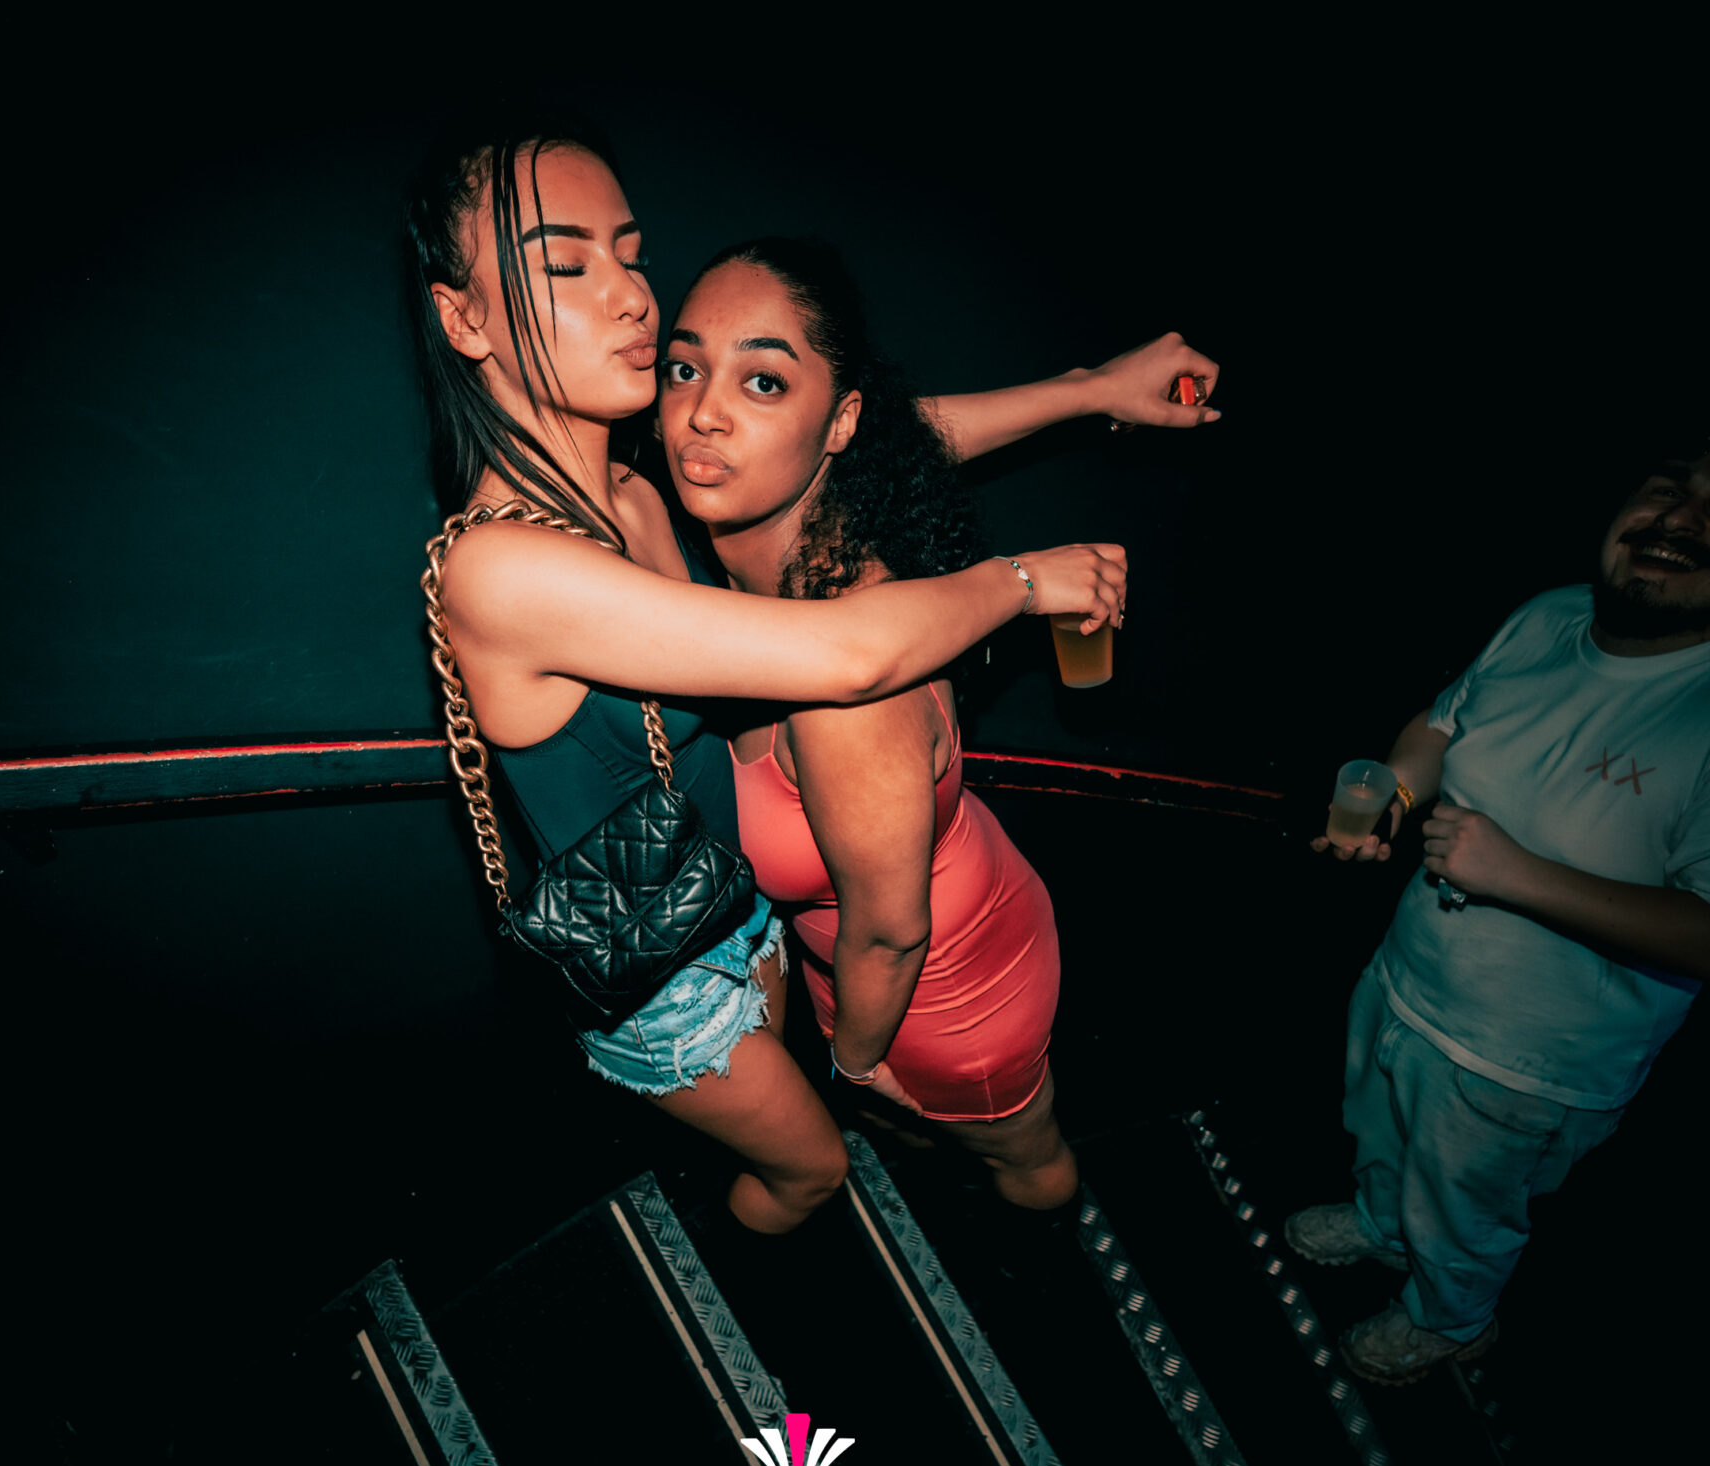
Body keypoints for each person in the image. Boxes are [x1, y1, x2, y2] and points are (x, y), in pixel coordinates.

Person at [408, 116, 1182, 1236]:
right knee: (811, 1172)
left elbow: (844, 435)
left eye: (630, 254)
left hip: (733, 906)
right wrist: (1023, 580)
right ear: (463, 318)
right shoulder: (505, 569)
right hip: (663, 976)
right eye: (566, 267)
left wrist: (1088, 387)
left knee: (846, 1121)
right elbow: (849, 653)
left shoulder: (626, 490)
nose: (631, 297)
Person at [1287, 426, 1710, 1384]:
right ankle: (1385, 1224)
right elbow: (1444, 722)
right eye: (1668, 486)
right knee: (1381, 1131)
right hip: (1409, 977)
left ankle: (1451, 1317)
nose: (1679, 518)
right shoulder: (1552, 615)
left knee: (1465, 1211)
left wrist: (1516, 873)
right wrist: (1395, 790)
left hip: (1525, 1062)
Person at [659, 240, 1211, 1215]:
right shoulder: (806, 511)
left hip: (947, 998)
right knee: (915, 1125)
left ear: (838, 423)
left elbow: (891, 932)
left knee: (1027, 1157)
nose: (704, 412)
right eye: (684, 368)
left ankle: (1056, 1228)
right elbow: (910, 438)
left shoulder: (849, 688)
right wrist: (1090, 388)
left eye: (762, 380)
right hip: (884, 953)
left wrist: (851, 1065)